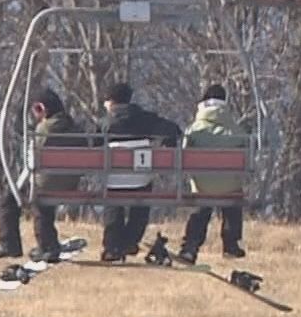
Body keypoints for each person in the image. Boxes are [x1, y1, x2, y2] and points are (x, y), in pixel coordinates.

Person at [0, 88, 87, 262]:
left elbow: (32, 156)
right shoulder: (75, 128)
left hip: (45, 182)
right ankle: (48, 245)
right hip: (70, 182)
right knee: (44, 203)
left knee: (8, 201)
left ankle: (11, 244)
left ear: (42, 108)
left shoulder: (44, 129)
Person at [98, 82, 182, 262]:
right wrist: (167, 144)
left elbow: (91, 146)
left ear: (111, 101)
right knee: (141, 204)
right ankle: (130, 241)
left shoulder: (104, 123)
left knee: (112, 204)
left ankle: (112, 246)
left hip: (113, 180)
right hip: (140, 179)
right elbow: (173, 130)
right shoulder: (146, 119)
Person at [177, 83, 248, 265]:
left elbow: (182, 156)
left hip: (202, 186)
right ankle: (231, 244)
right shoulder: (236, 130)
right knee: (233, 200)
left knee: (201, 208)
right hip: (229, 186)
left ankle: (190, 247)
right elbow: (248, 156)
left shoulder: (194, 130)